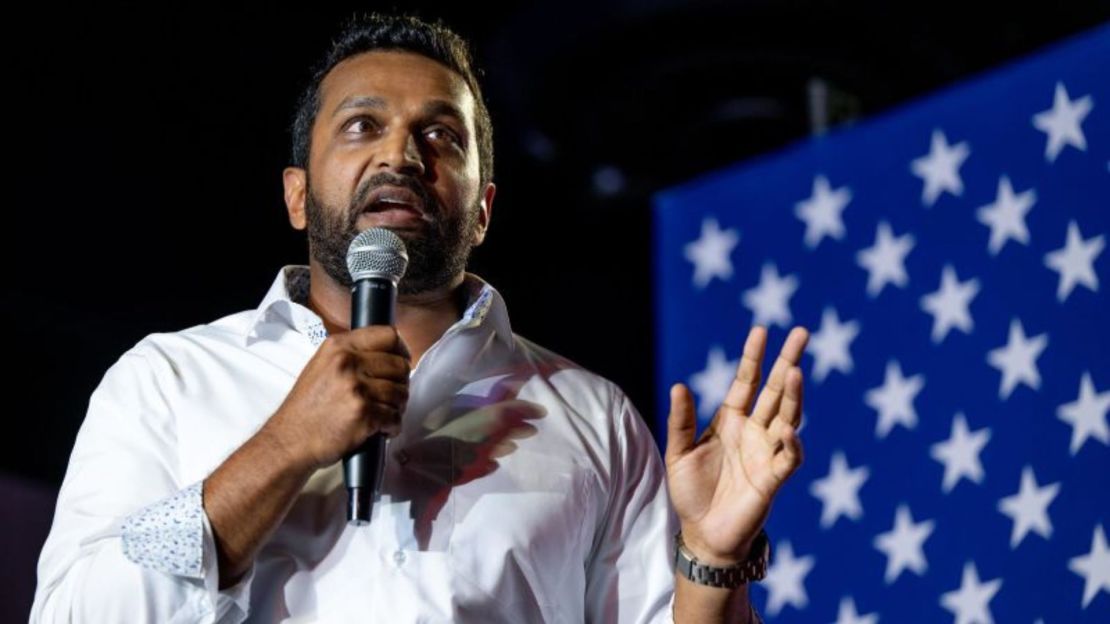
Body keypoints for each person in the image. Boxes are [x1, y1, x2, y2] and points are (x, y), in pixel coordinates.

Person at [31, 12, 809, 624]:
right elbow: (78, 614)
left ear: (483, 211)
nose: (402, 155)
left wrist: (708, 557)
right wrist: (286, 445)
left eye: (441, 135)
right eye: (363, 126)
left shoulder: (589, 416)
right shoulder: (168, 380)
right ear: (298, 194)